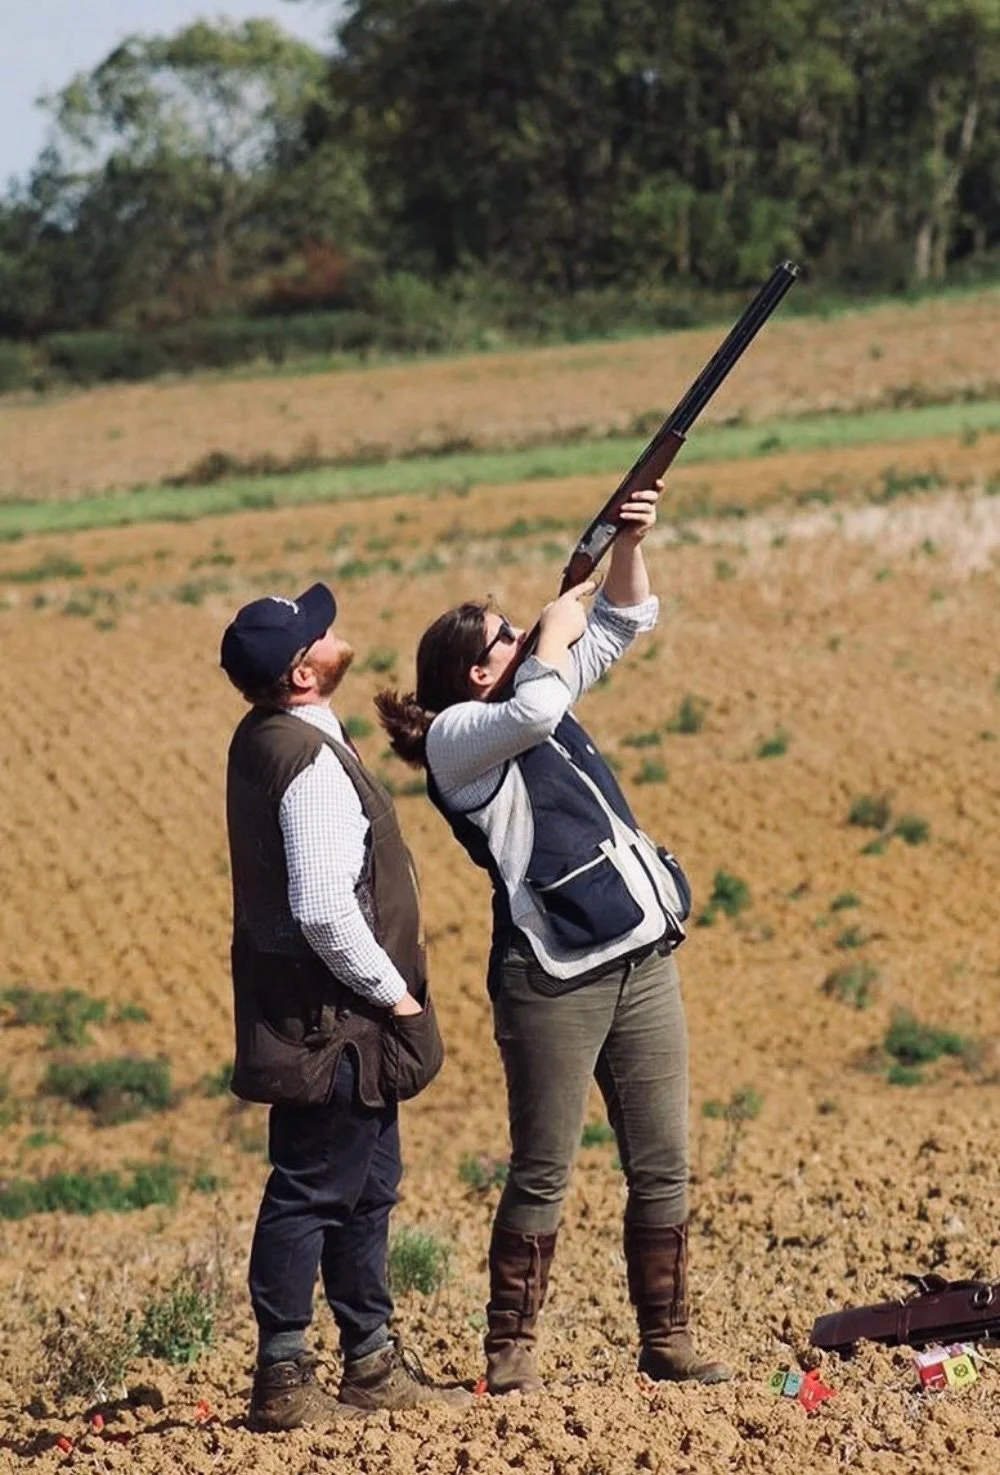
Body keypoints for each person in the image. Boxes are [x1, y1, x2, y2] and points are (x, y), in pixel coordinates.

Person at [376, 483, 731, 1395]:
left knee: (663, 1161)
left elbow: (623, 622)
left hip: (639, 958)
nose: (519, 642)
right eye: (502, 638)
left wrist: (624, 543)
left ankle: (670, 1339)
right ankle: (512, 1355)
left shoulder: (523, 688)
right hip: (554, 978)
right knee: (542, 1172)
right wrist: (555, 616)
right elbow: (536, 704)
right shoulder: (461, 737)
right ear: (472, 673)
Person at [219, 582, 470, 1430]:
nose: (332, 631)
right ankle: (284, 1376)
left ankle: (369, 1359)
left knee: (365, 1185)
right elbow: (326, 905)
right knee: (313, 1190)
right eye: (316, 633)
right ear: (302, 672)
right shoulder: (308, 763)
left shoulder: (267, 737)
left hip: (318, 1018)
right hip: (338, 1024)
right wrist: (394, 994)